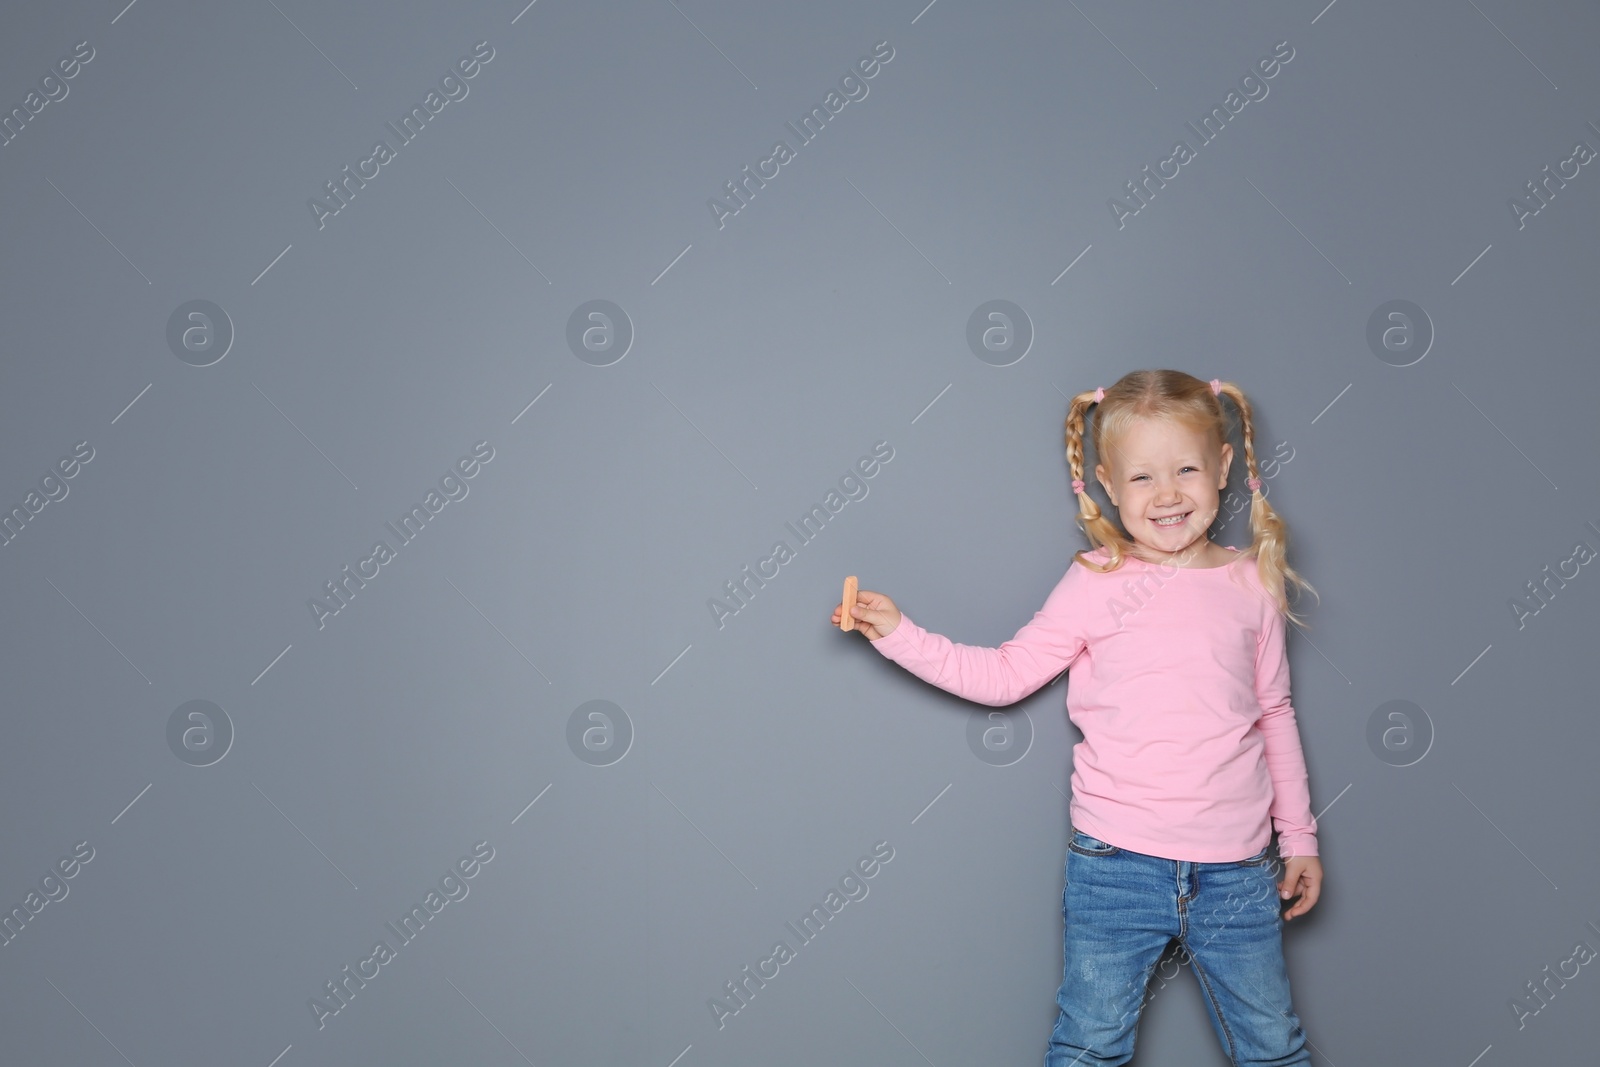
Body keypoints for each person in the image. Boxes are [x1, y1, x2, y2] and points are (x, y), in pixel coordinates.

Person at [830, 370, 1323, 1066]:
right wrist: (898, 632)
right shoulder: (1096, 581)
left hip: (1239, 871)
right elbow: (1002, 676)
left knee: (1274, 1046)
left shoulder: (1251, 583)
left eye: (1186, 468)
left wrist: (1298, 836)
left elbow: (1274, 711)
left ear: (1223, 467)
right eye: (1144, 477)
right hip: (1115, 864)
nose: (1169, 493)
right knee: (1090, 1047)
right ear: (1106, 484)